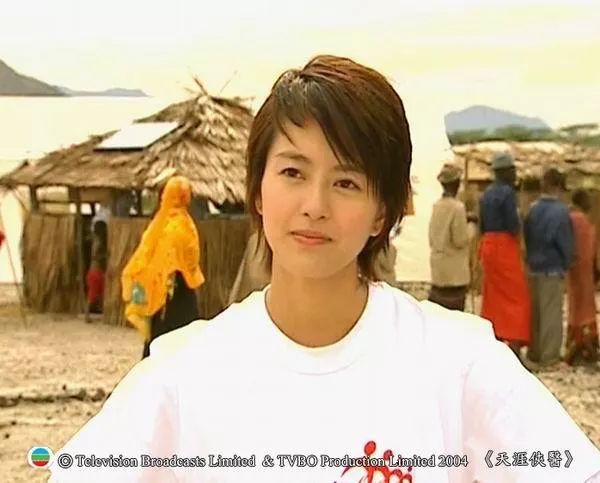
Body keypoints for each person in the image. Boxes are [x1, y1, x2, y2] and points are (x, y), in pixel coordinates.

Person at [49, 56, 600, 483]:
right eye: (293, 172)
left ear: (382, 211)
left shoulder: (459, 361)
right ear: (258, 190)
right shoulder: (183, 372)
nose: (315, 205)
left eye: (346, 182)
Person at [121, 175, 205, 359]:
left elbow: (146, 256)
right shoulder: (187, 225)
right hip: (181, 291)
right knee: (184, 341)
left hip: (163, 292)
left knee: (160, 341)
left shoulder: (160, 225)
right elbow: (192, 260)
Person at [478, 151, 531, 354]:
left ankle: (495, 336)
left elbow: (482, 225)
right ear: (506, 172)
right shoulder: (507, 193)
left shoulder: (486, 194)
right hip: (504, 247)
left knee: (493, 296)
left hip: (488, 245)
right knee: (516, 296)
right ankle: (514, 343)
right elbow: (512, 225)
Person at [524, 168, 574, 368]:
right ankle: (549, 357)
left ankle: (534, 353)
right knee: (551, 314)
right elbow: (565, 243)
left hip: (533, 266)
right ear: (557, 187)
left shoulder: (533, 209)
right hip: (553, 267)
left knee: (535, 314)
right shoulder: (561, 211)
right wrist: (567, 263)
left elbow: (526, 236)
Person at [428, 163, 470, 310]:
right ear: (457, 184)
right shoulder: (458, 208)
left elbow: (432, 237)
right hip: (455, 274)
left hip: (438, 270)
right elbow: (460, 240)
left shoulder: (437, 206)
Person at [564, 189, 598, 365]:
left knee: (575, 306)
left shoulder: (570, 218)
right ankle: (585, 346)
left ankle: (575, 345)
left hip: (574, 268)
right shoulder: (584, 221)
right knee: (585, 307)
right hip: (586, 269)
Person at [85, 220, 107, 320]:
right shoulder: (97, 242)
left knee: (100, 294)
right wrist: (105, 256)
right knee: (92, 295)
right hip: (95, 272)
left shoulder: (98, 241)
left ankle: (103, 313)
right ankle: (87, 314)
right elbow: (95, 256)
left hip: (98, 271)